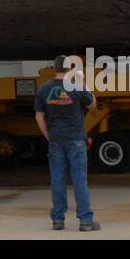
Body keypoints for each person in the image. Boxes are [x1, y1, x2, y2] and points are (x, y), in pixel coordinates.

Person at [35, 55, 100, 232]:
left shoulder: (44, 89)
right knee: (79, 180)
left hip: (56, 140)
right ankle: (86, 221)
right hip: (76, 140)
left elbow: (39, 116)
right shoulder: (76, 86)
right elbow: (93, 105)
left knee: (57, 180)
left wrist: (47, 135)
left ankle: (57, 220)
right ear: (70, 68)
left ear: (55, 68)